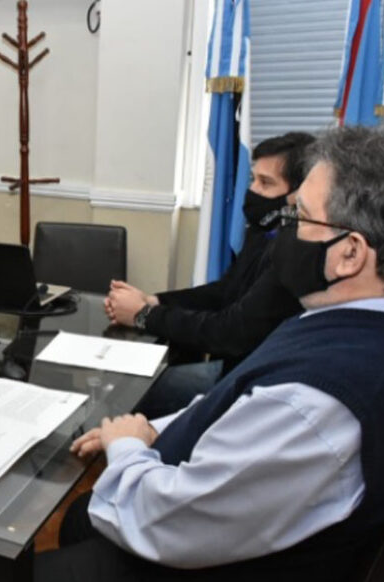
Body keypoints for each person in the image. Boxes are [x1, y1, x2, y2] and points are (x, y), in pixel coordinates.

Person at [34, 126, 384, 582]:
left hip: (197, 575)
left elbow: (162, 522)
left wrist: (126, 449)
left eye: (300, 216)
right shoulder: (377, 328)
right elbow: (241, 399)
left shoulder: (318, 401)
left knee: (5, 578)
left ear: (349, 253)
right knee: (82, 521)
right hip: (227, 536)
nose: (285, 230)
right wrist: (149, 430)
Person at [105, 132, 314, 415]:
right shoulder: (264, 232)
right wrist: (153, 300)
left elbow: (230, 331)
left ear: (299, 196)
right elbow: (224, 291)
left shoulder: (295, 252)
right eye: (253, 179)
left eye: (265, 183)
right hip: (232, 371)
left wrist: (143, 315)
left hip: (250, 391)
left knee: (132, 394)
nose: (252, 190)